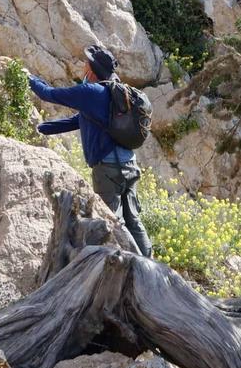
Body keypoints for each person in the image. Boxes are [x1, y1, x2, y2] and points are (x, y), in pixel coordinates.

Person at [29, 45, 153, 258]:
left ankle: (127, 267)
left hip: (108, 169)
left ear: (92, 69)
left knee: (112, 222)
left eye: (86, 63)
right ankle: (149, 264)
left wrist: (30, 79)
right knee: (133, 220)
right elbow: (79, 121)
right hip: (129, 165)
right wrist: (43, 129)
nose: (82, 66)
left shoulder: (90, 92)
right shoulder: (115, 92)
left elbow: (49, 94)